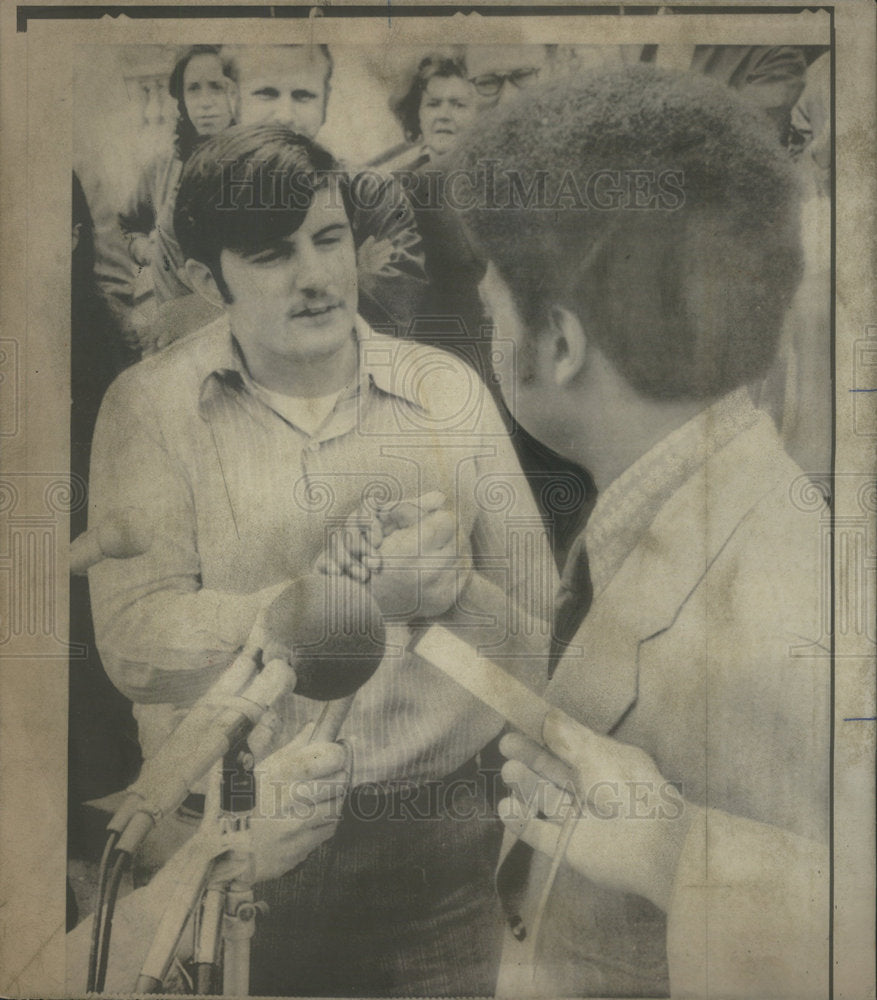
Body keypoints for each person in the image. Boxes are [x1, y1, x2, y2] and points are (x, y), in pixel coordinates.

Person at [87, 123, 555, 996]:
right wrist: (324, 603)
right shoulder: (148, 407)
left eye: (329, 238)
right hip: (230, 843)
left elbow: (546, 644)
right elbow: (131, 643)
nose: (316, 278)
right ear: (201, 277)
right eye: (270, 255)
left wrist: (449, 594)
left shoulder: (445, 390)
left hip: (438, 847)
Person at [443, 66, 829, 998]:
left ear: (561, 344)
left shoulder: (781, 618)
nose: (486, 307)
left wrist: (676, 855)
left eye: (493, 288)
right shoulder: (679, 504)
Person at [229, 44, 428, 334]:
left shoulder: (372, 194)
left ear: (324, 103)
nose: (285, 115)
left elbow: (393, 311)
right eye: (266, 93)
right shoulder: (202, 198)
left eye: (303, 96)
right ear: (235, 99)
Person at [118, 45, 236, 322]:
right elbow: (128, 225)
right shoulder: (163, 167)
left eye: (216, 87)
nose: (205, 101)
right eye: (193, 89)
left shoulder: (263, 163)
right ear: (181, 99)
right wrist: (148, 251)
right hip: (175, 327)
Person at [391, 53, 478, 167]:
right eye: (433, 104)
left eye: (458, 105)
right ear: (417, 114)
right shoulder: (403, 181)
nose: (444, 115)